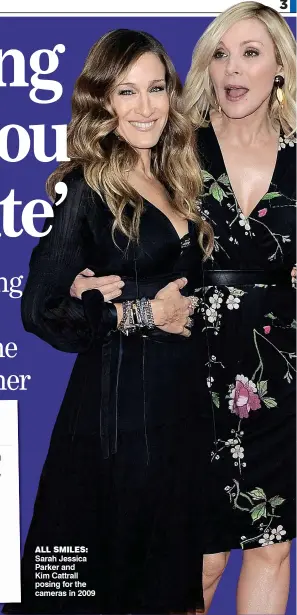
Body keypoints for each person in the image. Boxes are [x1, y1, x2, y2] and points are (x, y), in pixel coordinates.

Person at [3, 29, 213, 615]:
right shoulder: (88, 188)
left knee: (173, 592)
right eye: (127, 91)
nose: (145, 108)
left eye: (156, 89)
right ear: (103, 101)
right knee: (112, 590)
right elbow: (39, 311)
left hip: (177, 413)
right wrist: (142, 312)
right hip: (118, 417)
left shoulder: (179, 178)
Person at [183, 3, 296, 614]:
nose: (233, 69)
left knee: (270, 550)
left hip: (283, 374)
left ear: (279, 65)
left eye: (251, 52)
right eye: (221, 54)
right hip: (188, 366)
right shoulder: (177, 151)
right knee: (200, 562)